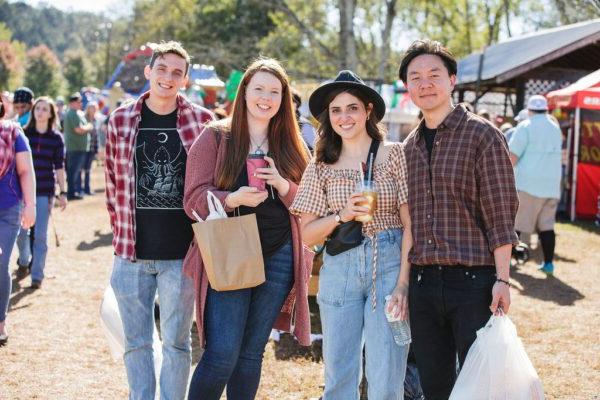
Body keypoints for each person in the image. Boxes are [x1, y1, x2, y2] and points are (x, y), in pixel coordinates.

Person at [184, 58, 312, 400]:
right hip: (231, 249)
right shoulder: (216, 136)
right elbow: (193, 198)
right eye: (259, 89)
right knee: (222, 354)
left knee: (251, 353)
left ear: (283, 99)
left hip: (280, 253)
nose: (266, 98)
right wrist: (231, 198)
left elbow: (310, 204)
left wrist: (283, 186)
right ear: (244, 93)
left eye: (275, 91)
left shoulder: (292, 144)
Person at [398, 39, 518, 400]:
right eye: (415, 77)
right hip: (423, 285)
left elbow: (500, 212)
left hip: (473, 283)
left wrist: (502, 279)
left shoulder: (482, 135)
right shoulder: (408, 147)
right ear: (408, 88)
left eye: (434, 74)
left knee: (477, 384)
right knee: (434, 385)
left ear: (452, 79)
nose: (425, 83)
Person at [291, 70, 412, 399]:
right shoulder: (321, 165)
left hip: (387, 263)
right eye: (336, 110)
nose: (344, 117)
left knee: (386, 372)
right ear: (328, 117)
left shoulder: (395, 155)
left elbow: (410, 222)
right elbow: (307, 234)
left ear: (368, 110)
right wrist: (341, 214)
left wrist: (403, 283)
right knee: (339, 372)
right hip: (340, 265)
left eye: (352, 108)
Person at [105, 41, 213, 400]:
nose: (168, 77)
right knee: (135, 344)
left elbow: (212, 182)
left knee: (177, 345)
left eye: (177, 72)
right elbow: (112, 183)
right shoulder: (120, 119)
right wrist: (121, 235)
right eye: (162, 69)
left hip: (181, 257)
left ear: (185, 80)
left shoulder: (203, 121)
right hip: (130, 255)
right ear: (149, 71)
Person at [15, 97, 67, 289]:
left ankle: (37, 275)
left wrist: (64, 191)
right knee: (21, 234)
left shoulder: (56, 138)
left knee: (41, 236)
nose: (40, 112)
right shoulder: (24, 134)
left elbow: (60, 167)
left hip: (45, 191)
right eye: (38, 108)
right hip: (20, 192)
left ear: (51, 113)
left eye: (45, 109)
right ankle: (24, 260)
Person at [509, 95, 562, 275]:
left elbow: (512, 156)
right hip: (552, 185)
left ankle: (507, 263)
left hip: (529, 184)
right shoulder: (555, 127)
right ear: (546, 109)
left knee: (515, 224)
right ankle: (548, 264)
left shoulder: (526, 126)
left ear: (529, 110)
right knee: (547, 226)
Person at [0, 95, 36, 345]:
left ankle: (0, 322)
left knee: (1, 264)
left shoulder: (13, 133)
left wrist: (30, 206)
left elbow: (25, 171)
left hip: (8, 208)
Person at [63, 93, 93, 200]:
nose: (81, 104)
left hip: (77, 148)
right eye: (79, 101)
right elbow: (79, 130)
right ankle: (71, 193)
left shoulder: (75, 113)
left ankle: (73, 192)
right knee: (73, 172)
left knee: (74, 171)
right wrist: (89, 126)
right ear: (73, 103)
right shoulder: (72, 114)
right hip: (75, 148)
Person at [82, 101, 100, 195]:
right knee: (82, 169)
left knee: (88, 169)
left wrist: (97, 149)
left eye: (94, 108)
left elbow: (97, 136)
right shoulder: (84, 118)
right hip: (84, 148)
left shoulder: (96, 120)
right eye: (91, 108)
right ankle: (80, 189)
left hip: (93, 148)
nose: (92, 110)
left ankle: (87, 188)